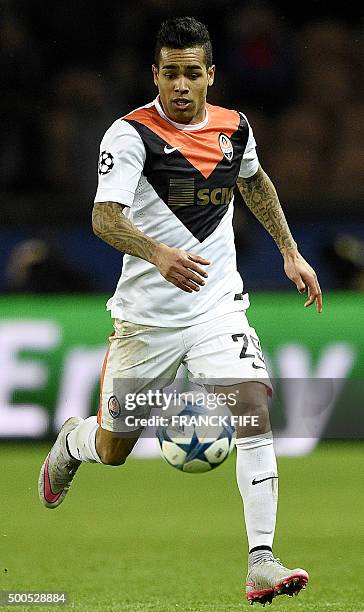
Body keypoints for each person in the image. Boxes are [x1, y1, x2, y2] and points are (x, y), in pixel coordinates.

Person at [38, 17, 322, 606]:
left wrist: (290, 252)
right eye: (170, 73)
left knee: (252, 412)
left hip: (217, 307)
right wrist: (157, 252)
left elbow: (256, 183)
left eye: (193, 73)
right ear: (156, 75)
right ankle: (72, 444)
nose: (182, 86)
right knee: (115, 448)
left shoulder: (234, 128)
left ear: (210, 76)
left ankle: (261, 561)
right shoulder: (129, 135)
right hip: (147, 322)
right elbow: (104, 218)